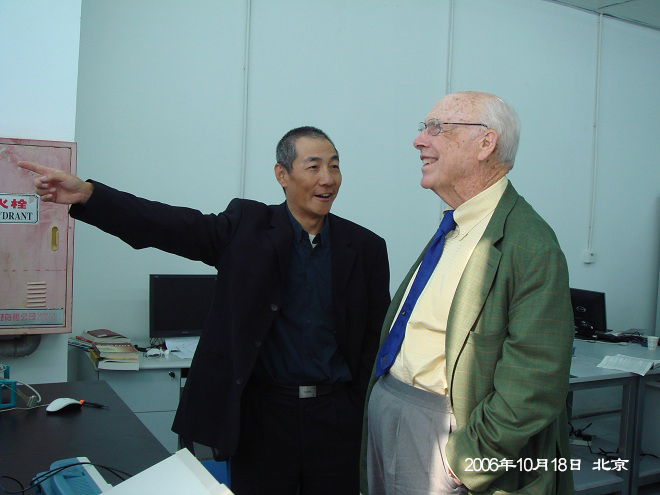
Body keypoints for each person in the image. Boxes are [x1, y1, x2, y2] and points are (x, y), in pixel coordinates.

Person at [18, 126, 391, 495]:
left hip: (336, 419)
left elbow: (375, 339)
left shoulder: (365, 248)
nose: (327, 179)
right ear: (282, 174)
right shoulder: (246, 227)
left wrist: (357, 408)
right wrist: (89, 195)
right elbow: (167, 224)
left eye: (334, 166)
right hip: (264, 417)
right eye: (314, 166)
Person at [362, 92, 574, 495]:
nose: (419, 140)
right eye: (423, 128)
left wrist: (465, 461)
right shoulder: (458, 226)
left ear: (485, 143)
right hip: (393, 415)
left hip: (447, 443)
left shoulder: (531, 243)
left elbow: (535, 383)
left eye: (436, 128)